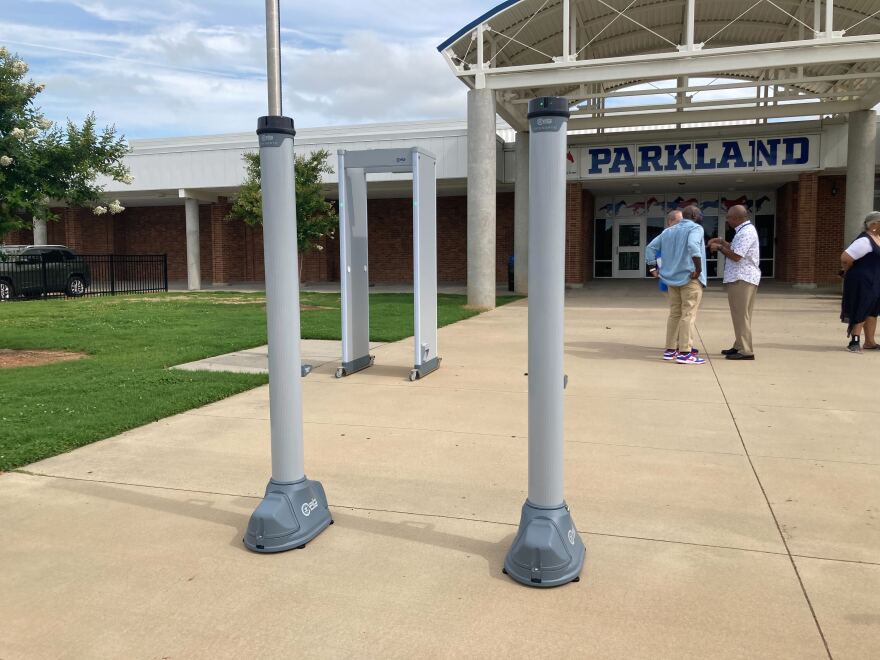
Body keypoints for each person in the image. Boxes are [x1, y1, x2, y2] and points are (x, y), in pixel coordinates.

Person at [646, 205, 707, 365]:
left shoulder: (668, 231)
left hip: (671, 280)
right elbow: (693, 246)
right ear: (694, 215)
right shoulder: (696, 228)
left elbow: (650, 247)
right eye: (699, 213)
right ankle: (685, 352)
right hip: (689, 278)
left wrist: (653, 268)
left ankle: (670, 350)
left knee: (675, 314)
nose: (701, 215)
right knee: (688, 314)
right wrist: (698, 268)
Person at [708, 204, 760, 361]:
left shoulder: (746, 232)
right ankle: (739, 345)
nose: (727, 219)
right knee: (740, 315)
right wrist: (723, 243)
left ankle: (746, 350)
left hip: (742, 278)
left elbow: (737, 256)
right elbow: (737, 249)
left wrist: (719, 248)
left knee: (741, 315)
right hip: (742, 277)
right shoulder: (744, 231)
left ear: (738, 218)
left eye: (729, 217)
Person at [840, 211, 880, 353]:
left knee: (873, 311)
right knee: (862, 307)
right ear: (874, 225)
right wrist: (847, 270)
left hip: (875, 280)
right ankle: (854, 341)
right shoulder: (864, 241)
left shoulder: (877, 238)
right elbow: (846, 258)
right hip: (861, 280)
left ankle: (870, 342)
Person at [655, 209, 682, 294]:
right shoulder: (665, 237)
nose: (681, 224)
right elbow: (659, 258)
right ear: (670, 222)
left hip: (683, 280)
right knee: (675, 305)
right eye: (679, 221)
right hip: (670, 280)